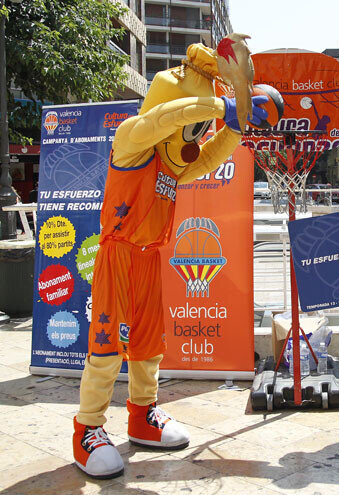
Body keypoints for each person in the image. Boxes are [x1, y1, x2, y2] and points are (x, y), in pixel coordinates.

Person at [72, 39, 267, 479]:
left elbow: (214, 152)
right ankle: (86, 429)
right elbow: (166, 118)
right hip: (117, 255)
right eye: (195, 121)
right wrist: (222, 105)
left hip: (149, 258)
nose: (194, 138)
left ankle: (143, 414)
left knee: (149, 345)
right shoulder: (133, 139)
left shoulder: (170, 165)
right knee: (105, 347)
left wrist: (238, 122)